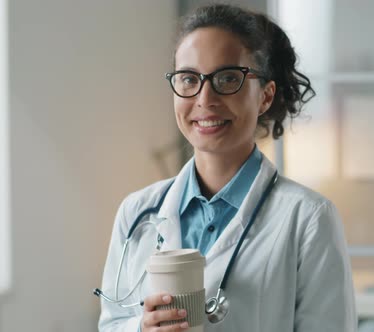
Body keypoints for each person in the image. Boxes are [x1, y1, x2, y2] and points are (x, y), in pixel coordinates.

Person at [98, 4, 356, 332]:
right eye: (189, 79)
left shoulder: (309, 218)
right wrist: (141, 328)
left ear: (264, 96)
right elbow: (111, 324)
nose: (205, 98)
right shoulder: (136, 212)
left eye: (228, 78)